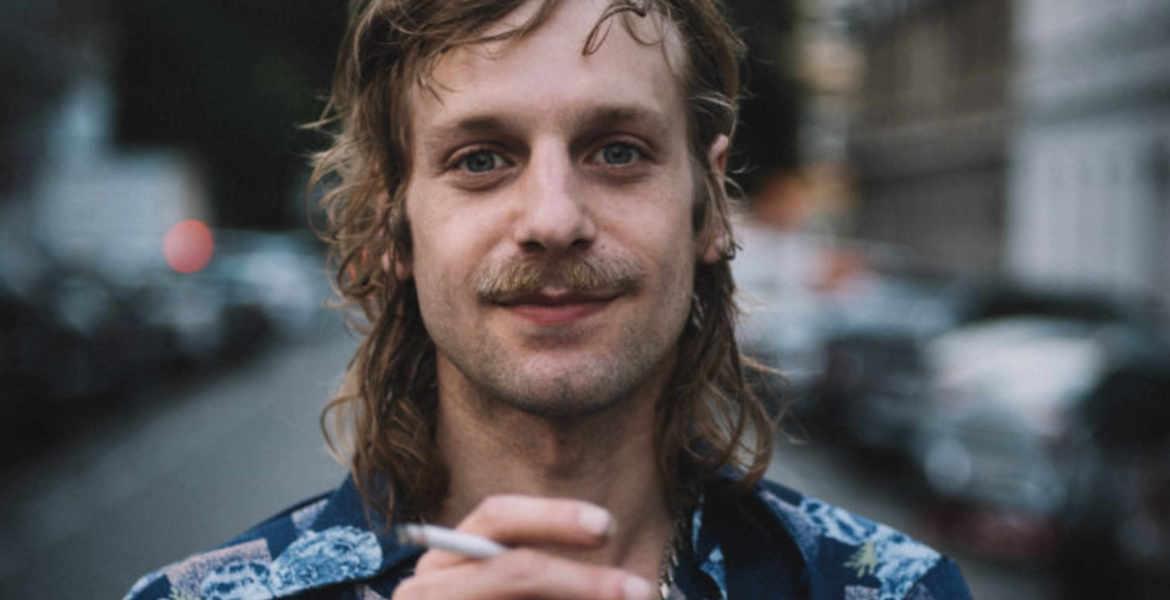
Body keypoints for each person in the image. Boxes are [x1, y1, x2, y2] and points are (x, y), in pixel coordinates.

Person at [126, 1, 972, 598]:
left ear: (709, 204)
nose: (554, 220)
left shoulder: (895, 589)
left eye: (617, 151)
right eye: (481, 160)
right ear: (393, 228)